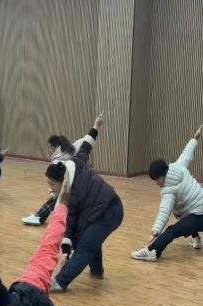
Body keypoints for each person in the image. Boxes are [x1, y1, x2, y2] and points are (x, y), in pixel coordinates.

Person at [46, 118, 123, 292]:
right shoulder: (76, 163)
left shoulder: (71, 194)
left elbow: (70, 222)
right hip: (101, 209)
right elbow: (86, 146)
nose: (51, 189)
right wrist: (95, 126)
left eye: (52, 184)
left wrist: (66, 253)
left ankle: (60, 282)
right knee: (89, 237)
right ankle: (97, 271)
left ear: (61, 181)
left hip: (110, 210)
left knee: (85, 246)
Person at [131, 125, 203, 261]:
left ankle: (152, 252)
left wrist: (155, 232)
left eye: (156, 179)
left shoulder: (169, 191)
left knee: (172, 230)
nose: (156, 183)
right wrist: (195, 138)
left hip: (199, 215)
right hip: (197, 210)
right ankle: (196, 240)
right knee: (184, 214)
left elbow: (164, 212)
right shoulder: (178, 166)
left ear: (162, 175)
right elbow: (187, 152)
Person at [22, 114, 104, 226]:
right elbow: (87, 140)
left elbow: (55, 181)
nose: (48, 150)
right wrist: (96, 125)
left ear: (54, 146)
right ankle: (41, 216)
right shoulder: (74, 148)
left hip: (75, 185)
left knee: (59, 199)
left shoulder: (57, 162)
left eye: (49, 147)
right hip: (83, 184)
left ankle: (39, 217)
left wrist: (52, 193)